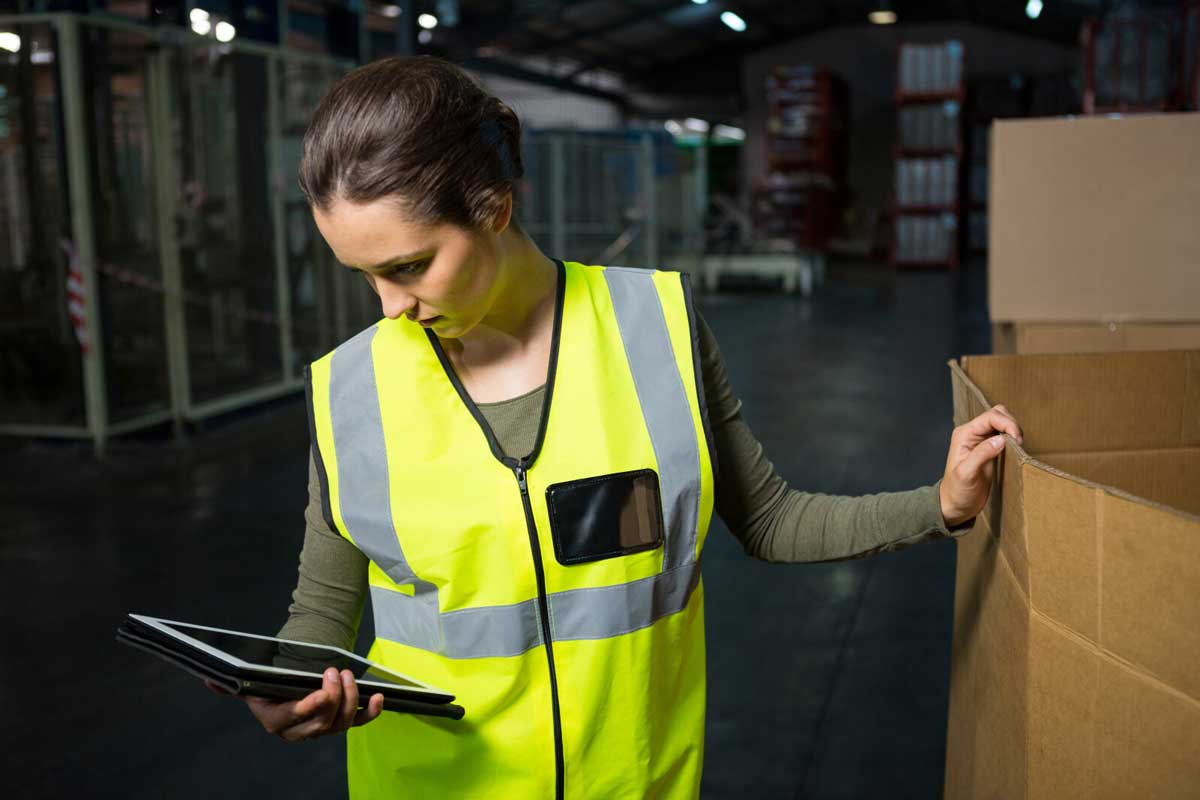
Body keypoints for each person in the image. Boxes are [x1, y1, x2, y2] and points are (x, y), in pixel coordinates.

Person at [220, 56, 1022, 799]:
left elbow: (772, 520)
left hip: (633, 782)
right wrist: (295, 681)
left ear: (494, 208)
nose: (389, 307)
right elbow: (323, 608)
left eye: (407, 266)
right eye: (361, 274)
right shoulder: (351, 388)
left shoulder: (655, 329)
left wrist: (942, 505)